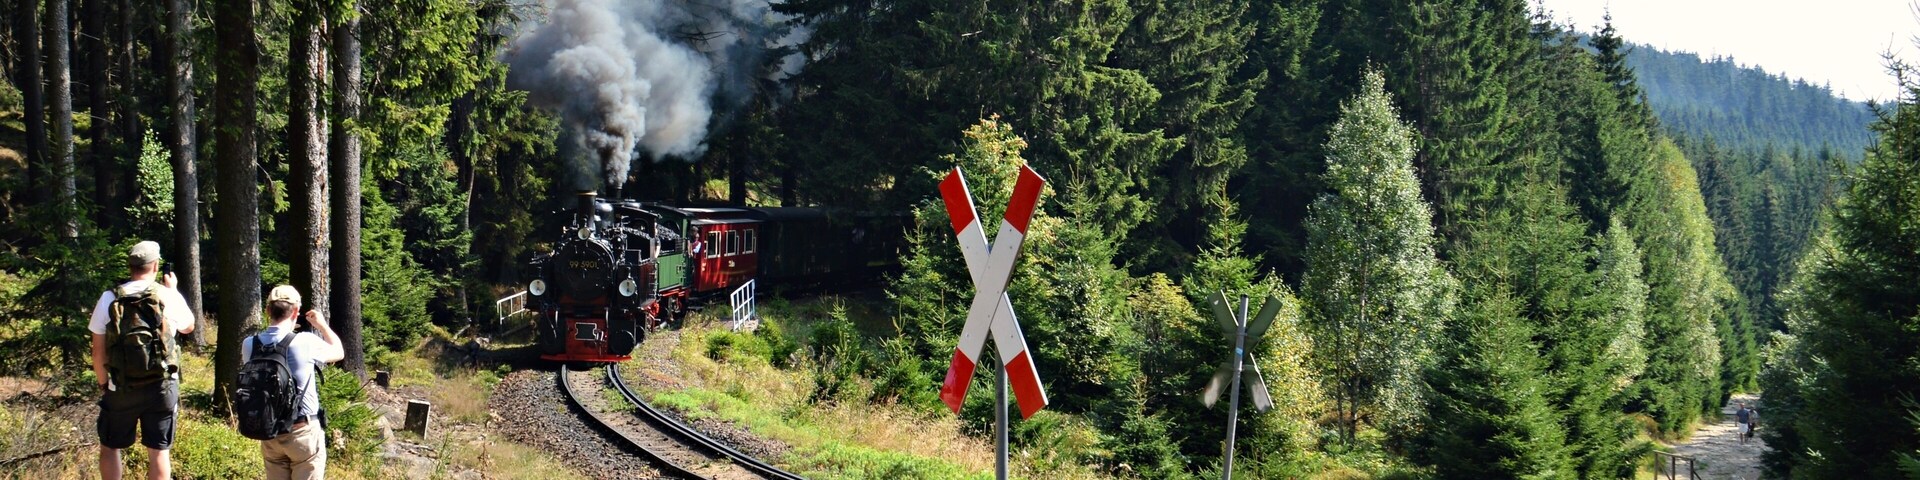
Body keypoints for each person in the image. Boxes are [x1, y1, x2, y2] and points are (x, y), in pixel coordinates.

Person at [90, 241, 197, 480]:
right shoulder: (167, 295)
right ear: (156, 265)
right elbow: (189, 327)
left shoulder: (109, 298)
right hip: (162, 384)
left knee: (110, 446)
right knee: (159, 451)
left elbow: (98, 352)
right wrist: (174, 290)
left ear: (130, 266)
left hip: (121, 385)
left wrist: (104, 384)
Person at [244, 285, 345, 480]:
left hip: (269, 432)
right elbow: (338, 352)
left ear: (267, 310)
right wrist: (322, 325)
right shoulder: (305, 341)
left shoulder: (250, 344)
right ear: (296, 311)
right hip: (303, 432)